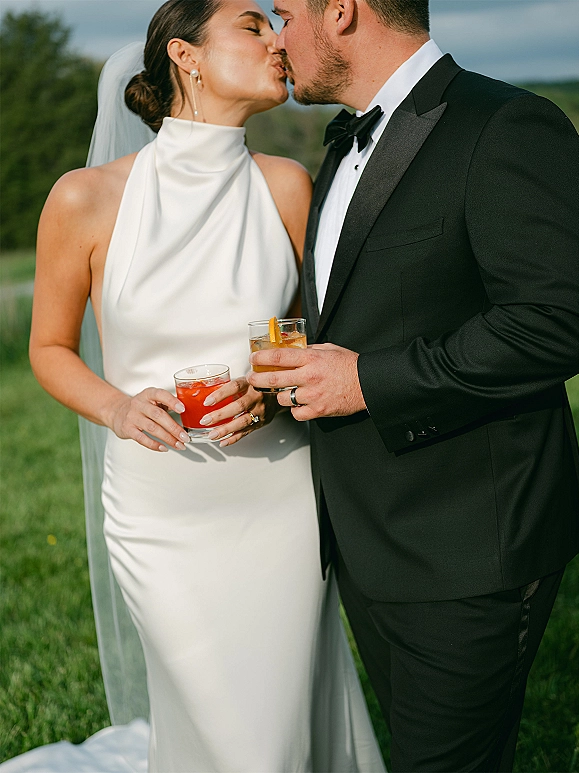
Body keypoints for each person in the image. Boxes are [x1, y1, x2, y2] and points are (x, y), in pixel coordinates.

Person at [26, 0, 386, 770]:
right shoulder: (83, 199)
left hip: (277, 502)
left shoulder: (288, 186)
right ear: (186, 56)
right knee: (227, 729)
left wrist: (267, 390)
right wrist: (119, 406)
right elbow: (51, 349)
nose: (278, 41)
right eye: (253, 26)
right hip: (159, 515)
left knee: (273, 729)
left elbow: (301, 339)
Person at [248, 0, 579, 770]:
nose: (278, 36)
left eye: (285, 14)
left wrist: (367, 380)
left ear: (341, 12)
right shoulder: (340, 149)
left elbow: (559, 318)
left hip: (471, 543)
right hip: (369, 542)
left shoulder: (505, 125)